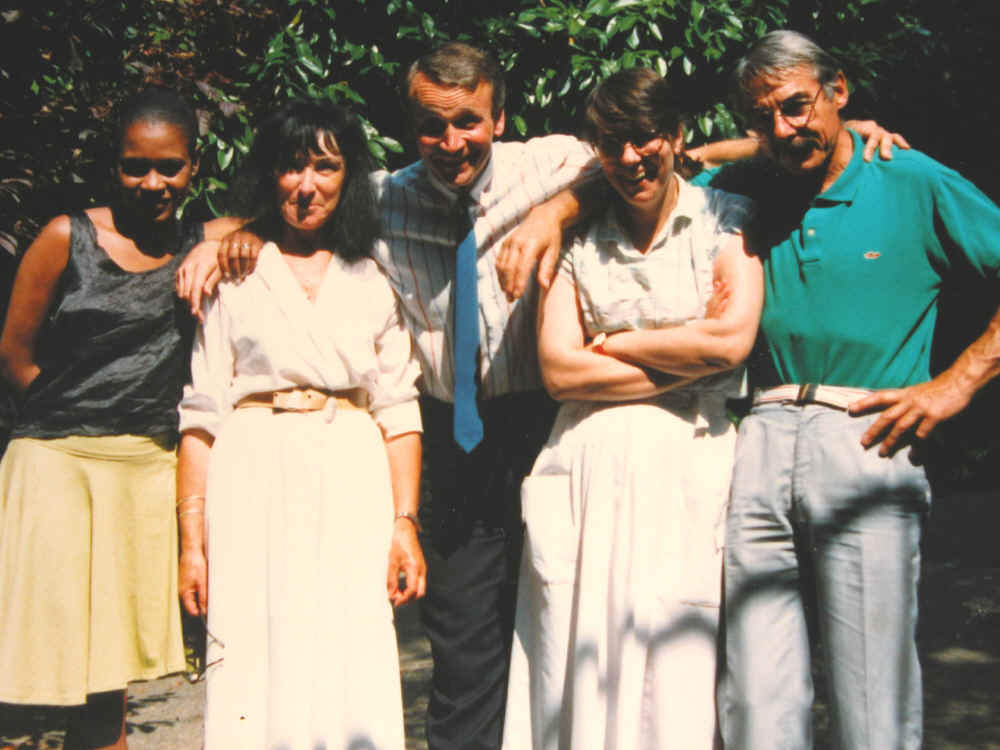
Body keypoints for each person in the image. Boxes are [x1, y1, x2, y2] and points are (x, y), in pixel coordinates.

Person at [175, 42, 603, 750]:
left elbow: (646, 159)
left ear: (499, 117)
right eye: (432, 125)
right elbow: (301, 200)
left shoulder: (552, 163)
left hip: (545, 422)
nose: (450, 142)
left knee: (569, 623)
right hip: (453, 437)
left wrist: (553, 213)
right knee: (464, 648)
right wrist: (225, 236)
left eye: (467, 121)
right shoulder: (382, 196)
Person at [693, 31, 1000, 749]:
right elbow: (656, 167)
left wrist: (957, 382)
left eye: (797, 106)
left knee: (870, 689)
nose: (782, 129)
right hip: (758, 436)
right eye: (762, 117)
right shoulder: (747, 187)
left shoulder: (909, 178)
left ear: (838, 90)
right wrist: (759, 143)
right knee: (754, 694)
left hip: (867, 433)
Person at [502, 67, 763, 750]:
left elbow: (730, 343)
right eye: (611, 144)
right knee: (576, 664)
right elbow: (561, 370)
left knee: (675, 672)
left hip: (688, 466)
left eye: (645, 138)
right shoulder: (578, 240)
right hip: (586, 478)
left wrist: (617, 343)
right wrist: (686, 352)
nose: (629, 158)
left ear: (675, 136)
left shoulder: (725, 222)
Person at [175, 99, 426, 750]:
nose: (307, 185)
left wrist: (404, 523)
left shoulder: (374, 274)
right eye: (291, 167)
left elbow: (399, 409)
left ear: (348, 177)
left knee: (349, 644)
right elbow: (201, 414)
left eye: (325, 167)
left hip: (351, 473)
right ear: (270, 174)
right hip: (251, 474)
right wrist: (192, 544)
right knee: (255, 650)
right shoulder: (236, 271)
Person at [0, 88, 242, 750]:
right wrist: (78, 419)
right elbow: (14, 355)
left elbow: (281, 217)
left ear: (195, 166)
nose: (153, 183)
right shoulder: (66, 237)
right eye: (136, 166)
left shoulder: (199, 241)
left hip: (146, 472)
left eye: (170, 166)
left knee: (108, 686)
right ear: (113, 165)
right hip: (56, 465)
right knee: (30, 670)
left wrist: (230, 240)